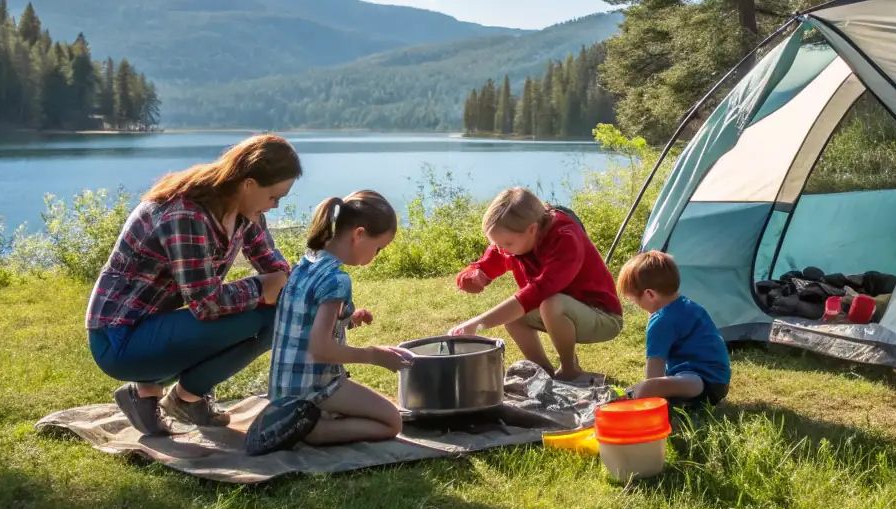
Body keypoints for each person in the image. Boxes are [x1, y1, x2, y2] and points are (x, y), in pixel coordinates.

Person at [86, 133, 299, 436]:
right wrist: (261, 288)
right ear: (249, 184)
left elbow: (278, 271)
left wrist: (326, 300)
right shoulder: (186, 212)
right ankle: (160, 390)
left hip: (157, 326)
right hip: (119, 339)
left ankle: (176, 396)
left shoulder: (244, 212)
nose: (275, 206)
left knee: (279, 316)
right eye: (274, 197)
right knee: (271, 316)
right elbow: (207, 303)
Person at [266, 191, 416, 446]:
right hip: (313, 390)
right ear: (359, 234)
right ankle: (313, 429)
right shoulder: (337, 280)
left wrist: (350, 319)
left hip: (282, 390)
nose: (376, 256)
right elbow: (321, 349)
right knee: (392, 421)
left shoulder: (305, 264)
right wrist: (373, 355)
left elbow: (309, 322)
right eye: (378, 248)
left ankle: (305, 419)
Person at [448, 187, 622, 382]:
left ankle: (570, 369)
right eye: (497, 244)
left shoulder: (565, 238)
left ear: (532, 229)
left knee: (550, 303)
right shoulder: (518, 239)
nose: (502, 250)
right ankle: (544, 372)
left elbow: (538, 292)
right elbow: (491, 260)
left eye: (506, 244)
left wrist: (477, 324)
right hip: (561, 310)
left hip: (602, 317)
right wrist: (474, 275)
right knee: (513, 317)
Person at [618, 250, 731, 408]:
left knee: (647, 387)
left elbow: (654, 373)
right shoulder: (690, 305)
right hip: (720, 384)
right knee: (661, 384)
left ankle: (619, 399)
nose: (638, 306)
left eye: (635, 301)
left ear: (650, 294)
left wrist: (647, 391)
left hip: (696, 382)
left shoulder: (661, 319)